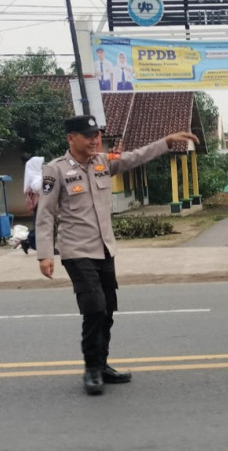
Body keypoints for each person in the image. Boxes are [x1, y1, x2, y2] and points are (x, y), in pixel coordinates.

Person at [35, 115, 199, 395]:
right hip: (77, 252)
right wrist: (44, 254)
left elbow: (134, 158)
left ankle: (102, 363)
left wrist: (166, 142)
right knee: (94, 308)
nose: (94, 140)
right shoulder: (56, 170)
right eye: (88, 135)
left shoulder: (102, 162)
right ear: (70, 138)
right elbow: (45, 213)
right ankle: (91, 369)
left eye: (96, 134)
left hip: (105, 250)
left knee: (108, 308)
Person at [20, 156, 44, 254]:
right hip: (40, 203)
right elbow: (36, 187)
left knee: (40, 224)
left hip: (40, 203)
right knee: (41, 224)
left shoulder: (36, 174)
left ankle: (28, 242)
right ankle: (28, 241)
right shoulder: (35, 175)